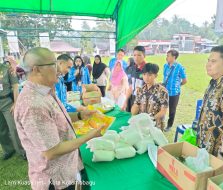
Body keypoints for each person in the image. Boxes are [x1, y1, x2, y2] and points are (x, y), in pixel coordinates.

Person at [14, 47, 104, 190]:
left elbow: (57, 119)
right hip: (55, 180)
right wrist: (89, 136)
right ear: (36, 70)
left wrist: (80, 115)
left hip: (67, 171)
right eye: (53, 65)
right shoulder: (33, 104)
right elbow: (51, 151)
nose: (59, 69)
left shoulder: (45, 90)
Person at [0, 60, 25, 160]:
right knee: (1, 129)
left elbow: (15, 87)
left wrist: (16, 103)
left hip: (7, 102)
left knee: (13, 127)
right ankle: (8, 150)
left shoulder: (7, 68)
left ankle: (22, 150)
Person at [131, 63, 168, 130]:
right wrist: (135, 106)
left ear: (156, 75)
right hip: (142, 125)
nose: (146, 77)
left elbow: (163, 111)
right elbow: (134, 109)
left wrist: (150, 119)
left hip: (155, 126)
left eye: (149, 75)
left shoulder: (162, 91)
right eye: (144, 74)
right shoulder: (141, 90)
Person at [163, 49, 187, 131]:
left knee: (172, 110)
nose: (166, 57)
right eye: (167, 55)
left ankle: (169, 125)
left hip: (174, 93)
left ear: (174, 57)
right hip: (165, 92)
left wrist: (177, 86)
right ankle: (161, 123)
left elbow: (185, 80)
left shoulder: (179, 67)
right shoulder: (165, 66)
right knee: (162, 107)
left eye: (168, 56)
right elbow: (164, 77)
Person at [122, 46, 146, 112]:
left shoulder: (147, 69)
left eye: (139, 55)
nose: (136, 57)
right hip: (132, 98)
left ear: (144, 56)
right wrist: (126, 101)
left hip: (142, 102)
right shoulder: (132, 68)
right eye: (134, 55)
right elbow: (130, 87)